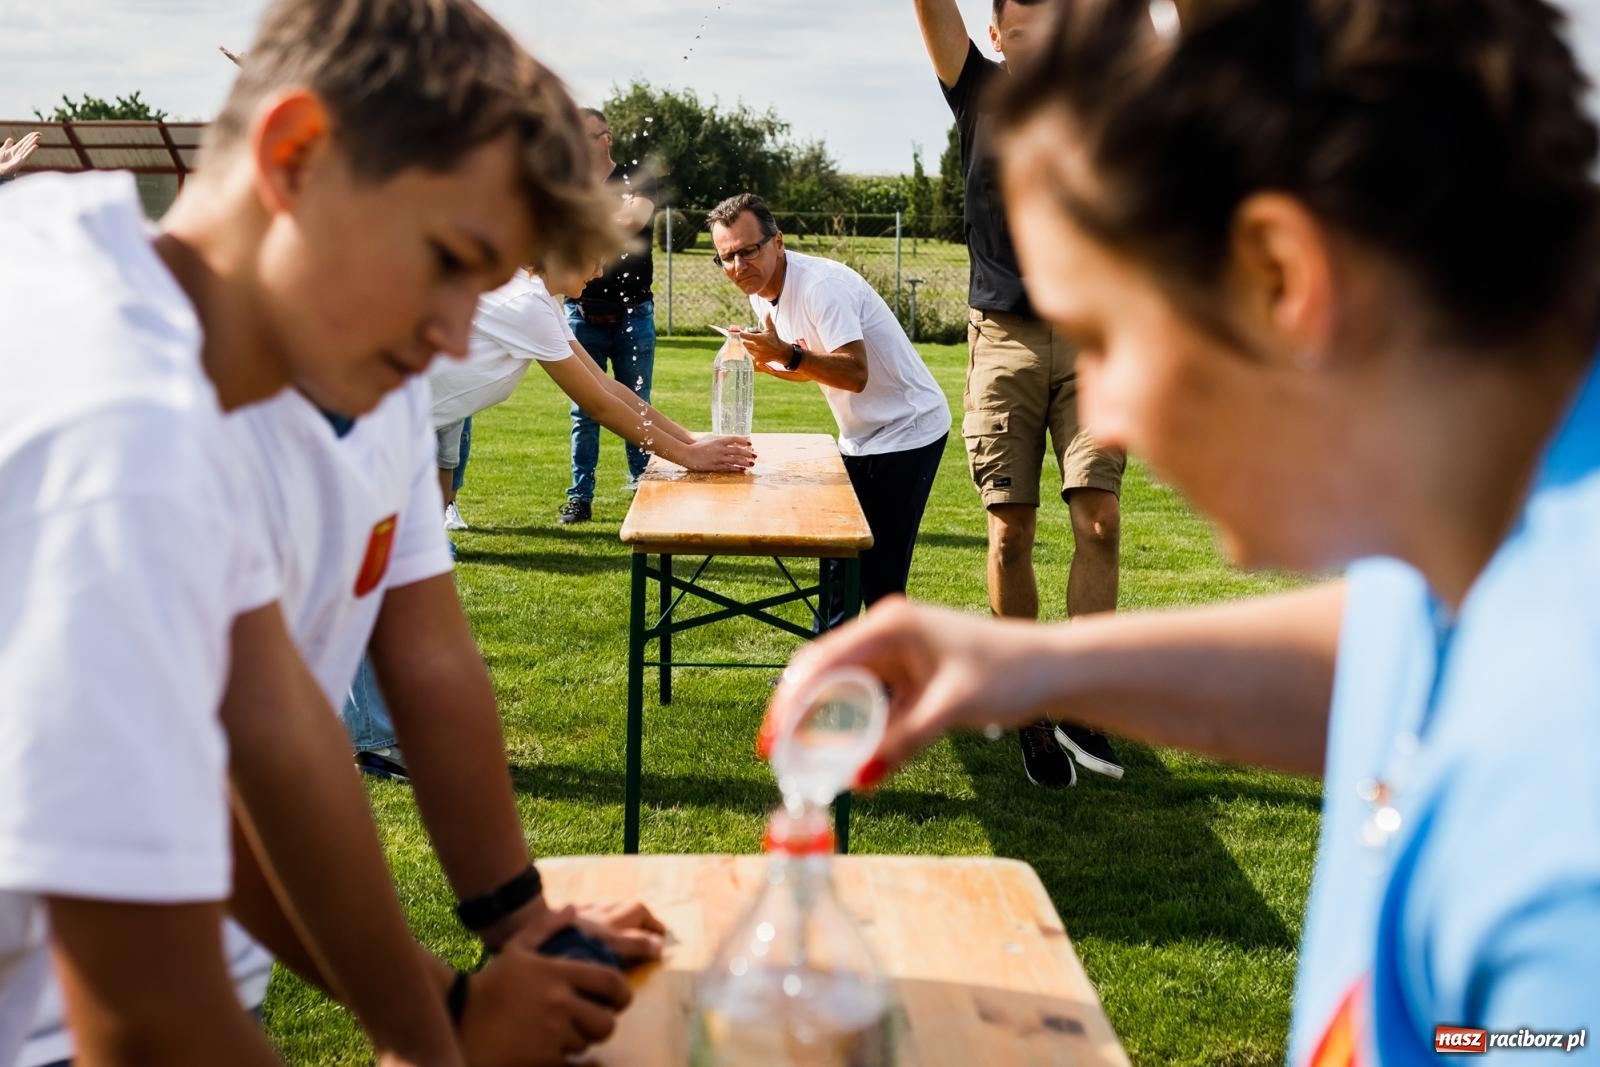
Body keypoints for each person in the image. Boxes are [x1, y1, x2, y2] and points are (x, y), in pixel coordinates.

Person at [767, 0, 1600, 1062]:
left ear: (1281, 277)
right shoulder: (1498, 543)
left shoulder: (1560, 850)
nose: (1104, 412)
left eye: (1110, 333)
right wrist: (1019, 660)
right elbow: (1391, 660)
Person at [0, 0, 635, 1063]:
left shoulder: (189, 347)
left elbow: (273, 736)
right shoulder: (115, 424)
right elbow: (144, 1013)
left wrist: (450, 1015)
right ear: (294, 155)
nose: (450, 333)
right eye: (444, 258)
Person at [345, 264, 755, 778]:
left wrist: (691, 442)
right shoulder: (523, 304)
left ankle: (382, 731)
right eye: (596, 253)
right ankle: (378, 741)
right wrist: (684, 457)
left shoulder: (537, 303)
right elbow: (599, 405)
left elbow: (609, 387)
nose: (604, 270)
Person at [913, 0, 1127, 787]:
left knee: (1097, 519)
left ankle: (1082, 698)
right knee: (1009, 533)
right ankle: (1029, 708)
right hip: (1001, 337)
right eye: (1022, 36)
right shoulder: (976, 89)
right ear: (998, 36)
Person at [707, 192, 950, 629]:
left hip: (908, 428)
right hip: (860, 436)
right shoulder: (761, 293)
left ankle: (887, 686)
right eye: (726, 257)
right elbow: (814, 368)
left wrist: (790, 356)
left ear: (777, 242)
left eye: (749, 251)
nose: (739, 266)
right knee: (840, 562)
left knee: (879, 575)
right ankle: (831, 672)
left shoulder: (822, 287)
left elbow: (855, 373)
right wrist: (773, 364)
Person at [559, 108, 660, 525]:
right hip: (581, 311)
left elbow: (632, 218)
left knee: (637, 404)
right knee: (584, 410)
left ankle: (645, 490)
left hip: (633, 312)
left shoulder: (637, 177)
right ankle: (580, 497)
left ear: (607, 138)